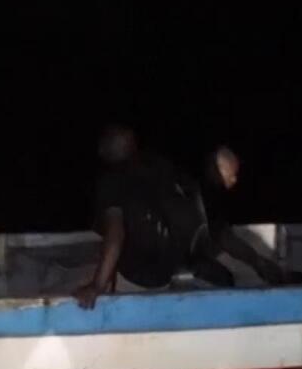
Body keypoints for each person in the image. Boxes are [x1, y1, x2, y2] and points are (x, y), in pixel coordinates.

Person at [76, 126, 248, 308]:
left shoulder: (111, 181)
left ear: (102, 151)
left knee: (103, 260)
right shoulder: (160, 165)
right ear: (134, 146)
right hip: (171, 265)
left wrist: (97, 285)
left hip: (140, 278)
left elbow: (115, 235)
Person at [195, 145, 302, 286]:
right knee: (224, 279)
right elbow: (223, 238)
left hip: (192, 250)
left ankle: (271, 272)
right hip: (184, 258)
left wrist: (258, 262)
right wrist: (259, 263)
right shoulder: (203, 194)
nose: (235, 180)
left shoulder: (208, 191)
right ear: (220, 169)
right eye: (232, 174)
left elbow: (220, 235)